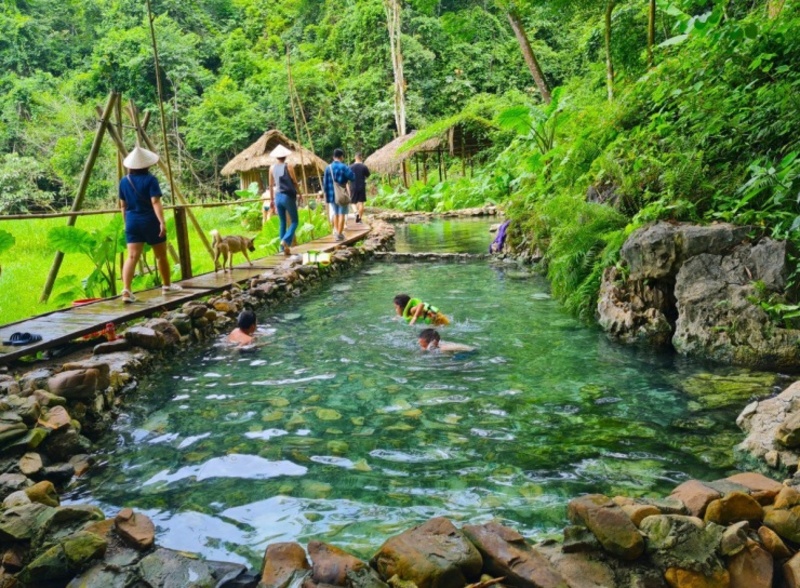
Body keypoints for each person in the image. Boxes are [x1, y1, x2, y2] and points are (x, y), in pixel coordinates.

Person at [119, 145, 183, 303]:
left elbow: (123, 205)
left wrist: (127, 223)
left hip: (132, 221)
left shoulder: (124, 181)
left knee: (132, 256)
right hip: (150, 220)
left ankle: (126, 290)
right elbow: (155, 202)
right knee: (161, 255)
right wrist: (161, 222)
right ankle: (166, 286)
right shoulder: (151, 180)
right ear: (147, 164)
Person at [268, 145, 301, 255]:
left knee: (282, 222)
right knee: (295, 221)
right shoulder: (289, 166)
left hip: (277, 196)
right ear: (285, 156)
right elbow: (294, 182)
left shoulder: (271, 168)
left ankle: (282, 248)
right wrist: (300, 193)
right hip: (288, 196)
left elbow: (270, 185)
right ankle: (285, 241)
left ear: (276, 156)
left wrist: (271, 200)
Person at [323, 148, 355, 241]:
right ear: (342, 157)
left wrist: (326, 194)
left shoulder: (328, 168)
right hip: (341, 194)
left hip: (331, 195)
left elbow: (325, 183)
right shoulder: (344, 167)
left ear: (333, 157)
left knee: (335, 213)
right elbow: (353, 177)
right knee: (341, 214)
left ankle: (336, 232)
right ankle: (339, 234)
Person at [349, 152, 370, 224]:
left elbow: (348, 176)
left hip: (353, 186)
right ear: (361, 158)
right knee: (361, 203)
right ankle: (359, 219)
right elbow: (368, 175)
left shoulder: (350, 167)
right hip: (361, 186)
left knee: (352, 202)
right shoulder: (364, 166)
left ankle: (356, 212)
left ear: (355, 157)